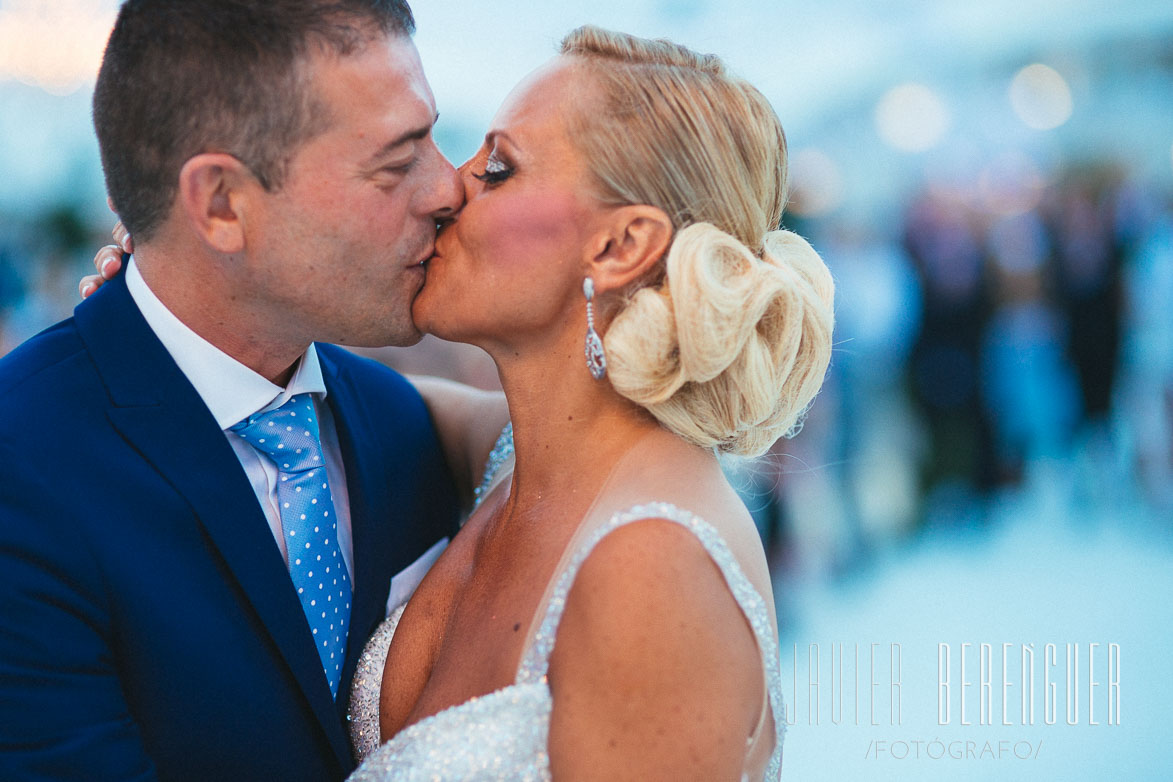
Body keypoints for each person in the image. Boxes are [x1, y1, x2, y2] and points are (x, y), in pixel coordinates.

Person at [82, 24, 834, 782]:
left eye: (498, 167)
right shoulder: (510, 456)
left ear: (617, 247)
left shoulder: (653, 562)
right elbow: (317, 400)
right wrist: (186, 289)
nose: (447, 189)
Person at [0, 2, 506, 780]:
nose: (447, 189)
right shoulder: (23, 468)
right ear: (222, 204)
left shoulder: (399, 425)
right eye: (396, 161)